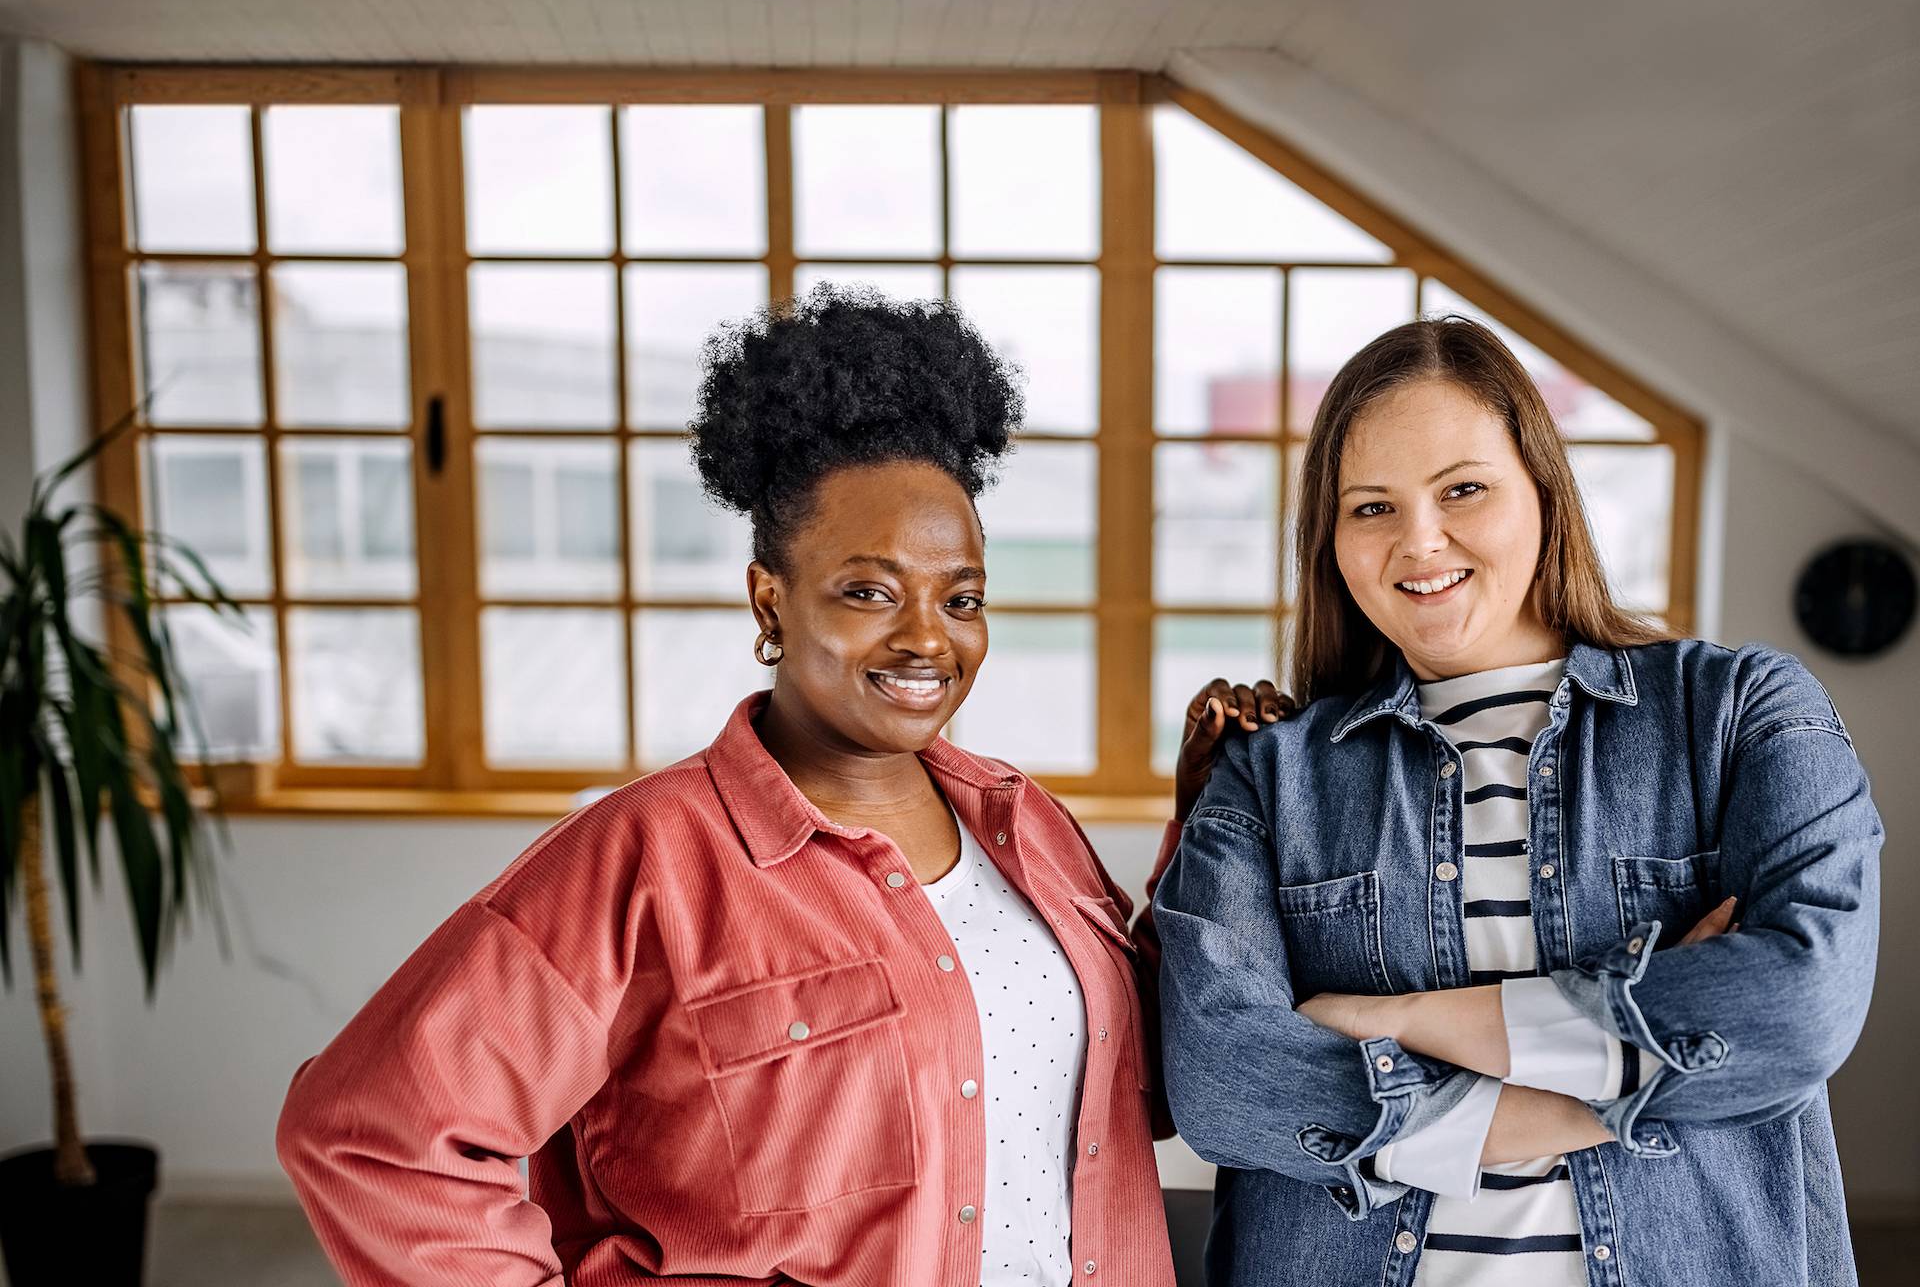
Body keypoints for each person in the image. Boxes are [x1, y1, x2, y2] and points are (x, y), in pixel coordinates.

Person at [276, 286, 1282, 1287]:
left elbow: (1141, 1086)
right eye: (869, 592)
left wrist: (1214, 822)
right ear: (771, 599)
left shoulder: (1024, 827)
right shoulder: (646, 863)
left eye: (961, 597)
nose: (928, 638)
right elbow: (372, 1137)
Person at [1156, 316, 1881, 1286]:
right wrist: (1603, 1098)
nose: (1419, 541)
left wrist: (1398, 1017)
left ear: (1545, 493)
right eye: (1371, 507)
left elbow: (1801, 1005)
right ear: (1330, 542)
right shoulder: (1270, 775)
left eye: (1463, 489)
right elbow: (1222, 1085)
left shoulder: (1740, 711)